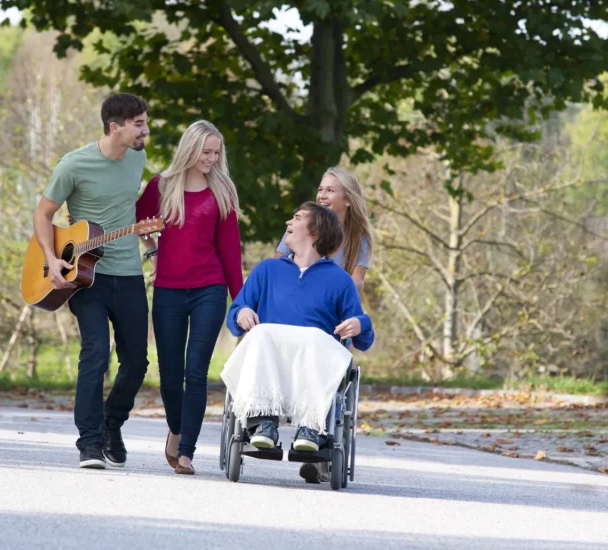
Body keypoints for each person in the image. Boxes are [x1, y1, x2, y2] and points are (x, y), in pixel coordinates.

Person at [33, 93, 152, 470]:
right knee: (96, 353)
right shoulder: (74, 164)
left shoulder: (138, 158)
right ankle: (88, 443)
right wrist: (52, 259)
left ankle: (111, 423)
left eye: (145, 122)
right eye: (139, 124)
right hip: (85, 278)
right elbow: (43, 214)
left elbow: (131, 210)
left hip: (129, 273)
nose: (146, 131)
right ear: (114, 127)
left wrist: (149, 241)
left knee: (136, 363)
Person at [223, 202, 373, 482]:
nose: (287, 223)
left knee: (316, 336)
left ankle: (311, 427)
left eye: (297, 218)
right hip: (271, 360)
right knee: (261, 333)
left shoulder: (340, 281)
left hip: (313, 360)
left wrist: (360, 323)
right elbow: (236, 313)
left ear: (314, 231)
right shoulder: (267, 270)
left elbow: (364, 338)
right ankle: (262, 420)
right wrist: (242, 311)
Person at [136, 120, 243, 475]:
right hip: (167, 288)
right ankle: (177, 427)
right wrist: (152, 250)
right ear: (189, 149)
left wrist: (240, 302)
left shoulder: (222, 190)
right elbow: (138, 220)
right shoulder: (161, 186)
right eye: (206, 152)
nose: (212, 159)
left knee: (196, 371)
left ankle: (187, 451)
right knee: (169, 372)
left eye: (216, 153)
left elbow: (230, 251)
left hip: (209, 289)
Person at [275, 167, 374, 292]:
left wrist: (333, 294)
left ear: (348, 200)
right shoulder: (299, 225)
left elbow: (358, 281)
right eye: (320, 190)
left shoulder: (359, 237)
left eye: (330, 191)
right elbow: (276, 265)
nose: (322, 196)